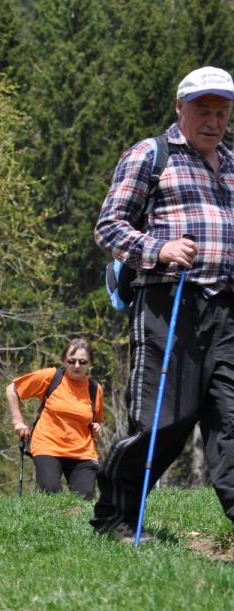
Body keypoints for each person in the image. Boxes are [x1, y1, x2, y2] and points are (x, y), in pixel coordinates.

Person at [92, 66, 234, 541]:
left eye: (221, 111)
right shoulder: (151, 156)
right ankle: (115, 515)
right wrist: (160, 249)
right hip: (168, 302)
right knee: (165, 421)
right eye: (203, 110)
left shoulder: (232, 165)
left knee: (230, 418)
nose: (213, 121)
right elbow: (109, 226)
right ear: (180, 109)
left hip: (225, 308)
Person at [7, 338, 103, 500]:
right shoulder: (51, 377)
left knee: (84, 498)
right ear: (64, 361)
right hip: (48, 445)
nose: (77, 366)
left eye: (82, 362)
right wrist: (18, 422)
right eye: (71, 361)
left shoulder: (95, 389)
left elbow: (97, 420)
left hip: (82, 450)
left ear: (90, 363)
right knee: (49, 490)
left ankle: (72, 524)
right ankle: (49, 524)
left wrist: (97, 427)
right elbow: (12, 389)